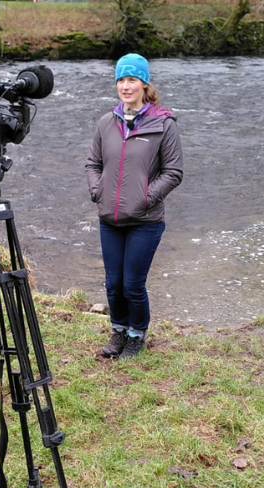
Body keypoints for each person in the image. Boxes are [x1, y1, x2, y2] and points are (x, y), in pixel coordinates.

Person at [85, 53, 183, 359]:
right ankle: (119, 330)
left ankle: (136, 335)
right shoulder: (106, 122)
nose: (126, 86)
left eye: (132, 80)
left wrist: (145, 197)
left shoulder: (163, 124)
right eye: (121, 80)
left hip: (146, 221)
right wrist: (97, 190)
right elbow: (93, 164)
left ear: (144, 83)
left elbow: (174, 172)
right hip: (109, 219)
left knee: (132, 284)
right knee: (113, 284)